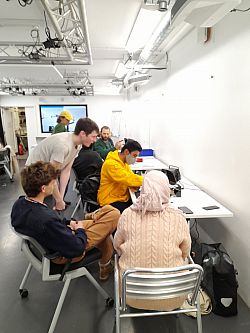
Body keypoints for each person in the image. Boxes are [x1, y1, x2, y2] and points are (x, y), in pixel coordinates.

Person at [11, 161, 120, 280]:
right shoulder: (46, 220)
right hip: (68, 251)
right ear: (43, 188)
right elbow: (76, 248)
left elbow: (53, 223)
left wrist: (68, 223)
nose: (55, 185)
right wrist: (79, 231)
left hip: (59, 237)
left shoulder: (21, 203)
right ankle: (104, 263)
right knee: (113, 215)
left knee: (107, 218)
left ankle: (94, 218)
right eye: (53, 183)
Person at [114, 170, 191, 310]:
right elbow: (185, 251)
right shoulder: (179, 217)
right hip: (174, 295)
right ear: (167, 189)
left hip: (131, 295)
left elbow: (117, 246)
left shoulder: (127, 214)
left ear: (143, 189)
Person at [26, 118, 99, 211]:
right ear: (83, 134)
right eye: (93, 136)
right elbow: (51, 175)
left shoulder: (78, 145)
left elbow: (66, 171)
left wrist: (60, 198)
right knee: (42, 209)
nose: (95, 140)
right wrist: (59, 200)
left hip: (47, 173)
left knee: (54, 204)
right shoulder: (63, 146)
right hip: (33, 174)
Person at [98, 139, 143, 213]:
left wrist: (136, 184)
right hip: (109, 200)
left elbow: (131, 176)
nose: (135, 159)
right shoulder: (111, 164)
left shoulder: (123, 163)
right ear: (126, 152)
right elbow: (128, 179)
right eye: (134, 156)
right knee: (134, 212)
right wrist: (148, 180)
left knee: (138, 205)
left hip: (120, 196)